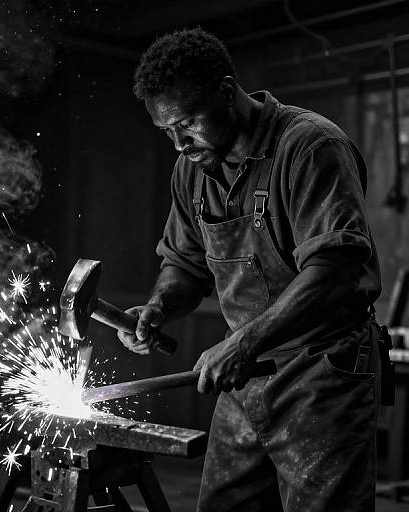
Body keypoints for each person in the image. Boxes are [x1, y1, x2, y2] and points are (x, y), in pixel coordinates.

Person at [118, 27, 385, 511]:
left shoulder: (310, 147)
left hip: (322, 374)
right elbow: (185, 263)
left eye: (188, 123)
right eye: (167, 132)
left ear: (225, 92)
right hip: (244, 380)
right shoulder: (193, 168)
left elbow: (334, 268)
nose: (179, 143)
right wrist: (161, 305)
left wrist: (243, 341)